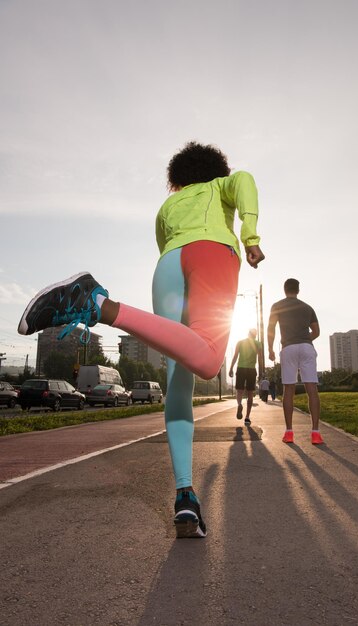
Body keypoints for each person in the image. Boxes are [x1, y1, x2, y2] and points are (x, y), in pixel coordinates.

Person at [18, 141, 265, 538]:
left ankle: (185, 497)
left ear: (177, 178)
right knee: (206, 361)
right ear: (216, 170)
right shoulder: (223, 186)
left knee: (178, 386)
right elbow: (247, 182)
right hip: (212, 253)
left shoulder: (167, 208)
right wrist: (250, 235)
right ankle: (100, 305)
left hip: (168, 267)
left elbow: (167, 246)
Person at [267, 278, 324, 445]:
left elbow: (271, 328)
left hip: (289, 348)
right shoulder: (308, 308)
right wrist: (305, 339)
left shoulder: (277, 305)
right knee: (311, 388)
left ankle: (289, 432)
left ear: (284, 290)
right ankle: (315, 433)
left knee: (289, 388)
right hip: (307, 347)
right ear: (298, 290)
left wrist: (270, 349)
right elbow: (317, 331)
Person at [229, 329, 262, 425]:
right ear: (255, 335)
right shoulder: (258, 344)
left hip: (241, 368)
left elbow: (235, 356)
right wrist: (261, 372)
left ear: (248, 334)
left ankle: (239, 404)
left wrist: (231, 368)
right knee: (250, 393)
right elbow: (260, 358)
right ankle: (247, 417)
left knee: (239, 390)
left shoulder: (240, 342)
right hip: (251, 369)